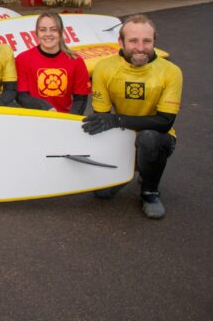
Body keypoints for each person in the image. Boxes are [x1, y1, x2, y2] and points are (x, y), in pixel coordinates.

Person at [81, 15, 182, 219]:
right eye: (133, 41)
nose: (141, 47)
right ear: (120, 42)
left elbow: (164, 122)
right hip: (123, 134)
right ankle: (126, 170)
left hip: (157, 136)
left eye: (147, 41)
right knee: (102, 194)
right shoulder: (104, 67)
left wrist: (117, 120)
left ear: (154, 41)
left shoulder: (171, 72)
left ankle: (150, 191)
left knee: (148, 138)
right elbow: (102, 117)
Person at [15, 12, 89, 114]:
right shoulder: (23, 59)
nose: (48, 34)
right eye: (43, 30)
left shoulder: (76, 61)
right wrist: (45, 107)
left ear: (61, 32)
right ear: (36, 33)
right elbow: (21, 96)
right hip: (34, 119)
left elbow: (81, 98)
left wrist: (69, 121)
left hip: (64, 119)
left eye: (53, 29)